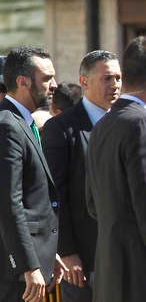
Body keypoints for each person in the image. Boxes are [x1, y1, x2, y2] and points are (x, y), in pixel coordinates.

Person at [85, 37, 146, 302]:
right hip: (143, 280)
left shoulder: (103, 124)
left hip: (108, 275)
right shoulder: (143, 126)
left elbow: (92, 204)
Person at [41, 50, 121, 302]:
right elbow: (54, 195)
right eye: (107, 78)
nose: (115, 85)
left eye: (118, 78)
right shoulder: (62, 128)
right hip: (84, 260)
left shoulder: (126, 122)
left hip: (123, 254)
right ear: (84, 82)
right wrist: (66, 250)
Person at [0, 46, 63, 302]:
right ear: (22, 81)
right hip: (17, 274)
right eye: (47, 78)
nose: (54, 85)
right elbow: (9, 202)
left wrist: (48, 253)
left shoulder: (24, 122)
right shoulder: (8, 126)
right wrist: (28, 265)